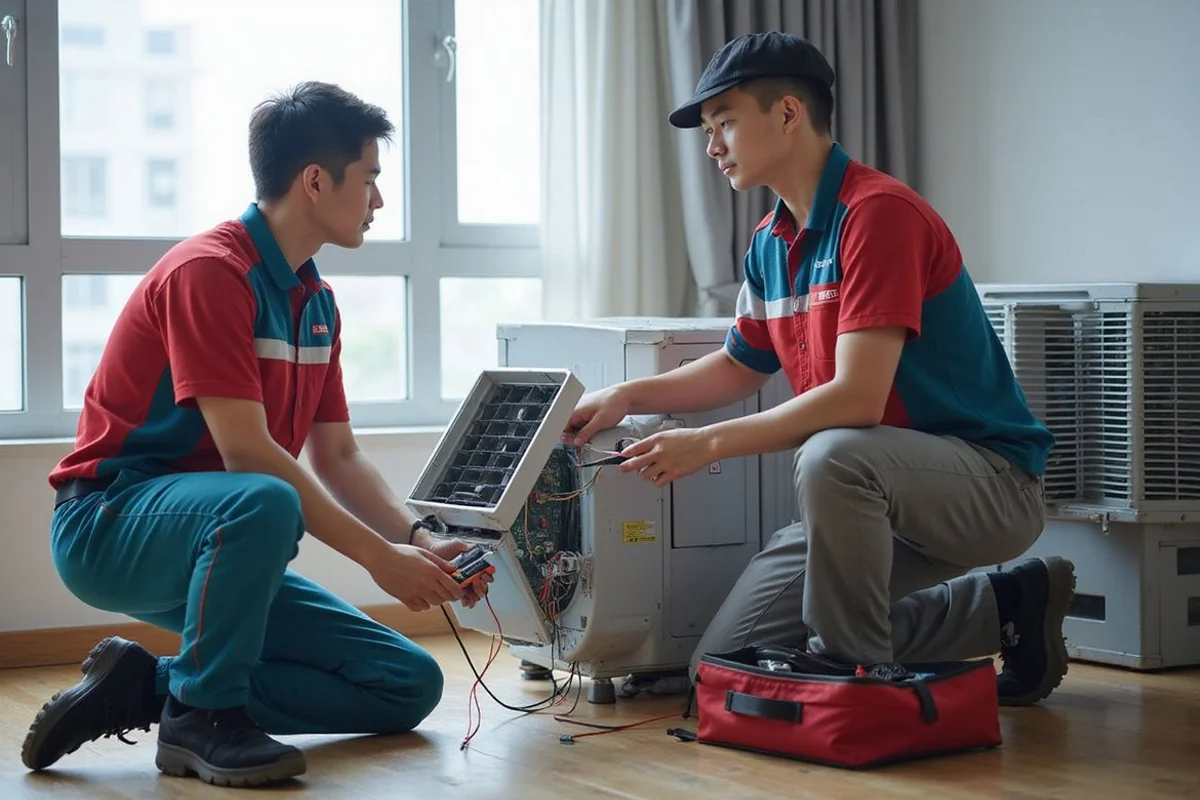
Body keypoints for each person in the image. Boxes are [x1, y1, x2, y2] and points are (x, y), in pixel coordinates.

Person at [566, 32, 1076, 706]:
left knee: (831, 456)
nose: (712, 145)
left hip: (985, 484)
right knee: (724, 665)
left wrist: (707, 443)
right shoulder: (768, 244)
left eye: (724, 123)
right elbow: (737, 367)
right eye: (710, 130)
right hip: (867, 501)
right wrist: (625, 395)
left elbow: (858, 398)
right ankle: (1009, 605)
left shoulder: (877, 215)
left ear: (786, 115)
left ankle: (856, 688)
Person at [21, 81, 488, 787]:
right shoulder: (211, 273)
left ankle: (156, 689)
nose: (378, 202)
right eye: (369, 180)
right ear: (313, 180)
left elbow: (339, 454)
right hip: (107, 523)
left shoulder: (316, 302)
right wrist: (376, 559)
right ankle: (202, 717)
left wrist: (417, 542)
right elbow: (247, 454)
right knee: (263, 496)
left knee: (406, 681)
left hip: (217, 533)